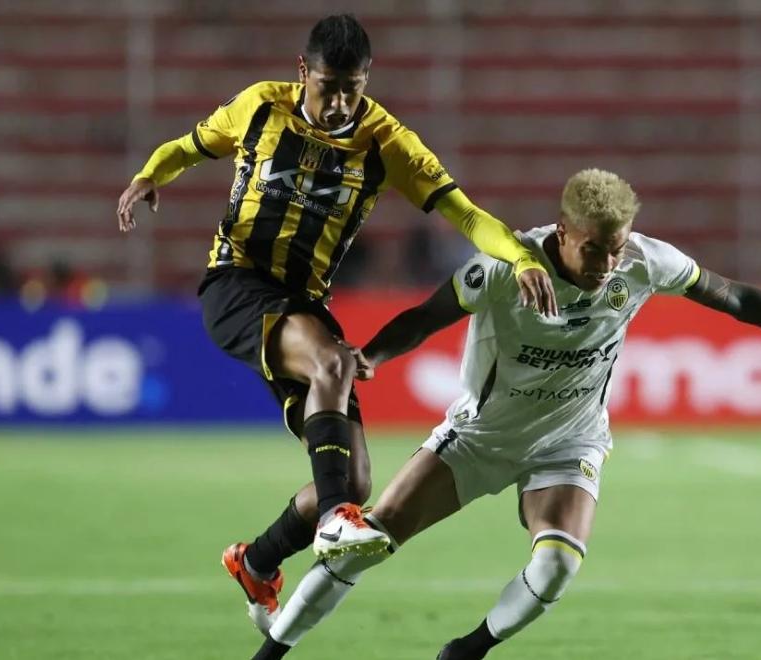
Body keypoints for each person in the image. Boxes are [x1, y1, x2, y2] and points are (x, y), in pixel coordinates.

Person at [249, 169, 761, 659]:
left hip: (568, 442)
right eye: (595, 248)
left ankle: (466, 651)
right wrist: (371, 354)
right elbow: (427, 316)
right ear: (563, 232)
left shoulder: (644, 262)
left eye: (617, 246)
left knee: (556, 567)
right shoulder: (505, 267)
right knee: (365, 543)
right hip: (479, 438)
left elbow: (736, 298)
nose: (609, 262)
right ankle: (271, 652)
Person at [114, 13, 557, 631]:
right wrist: (148, 176)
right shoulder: (259, 107)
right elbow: (187, 147)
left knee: (352, 478)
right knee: (331, 365)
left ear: (366, 79)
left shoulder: (385, 141)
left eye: (353, 88)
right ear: (303, 72)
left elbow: (465, 214)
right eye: (328, 87)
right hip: (237, 282)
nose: (340, 103)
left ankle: (257, 561)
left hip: (304, 304)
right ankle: (331, 523)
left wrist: (520, 255)